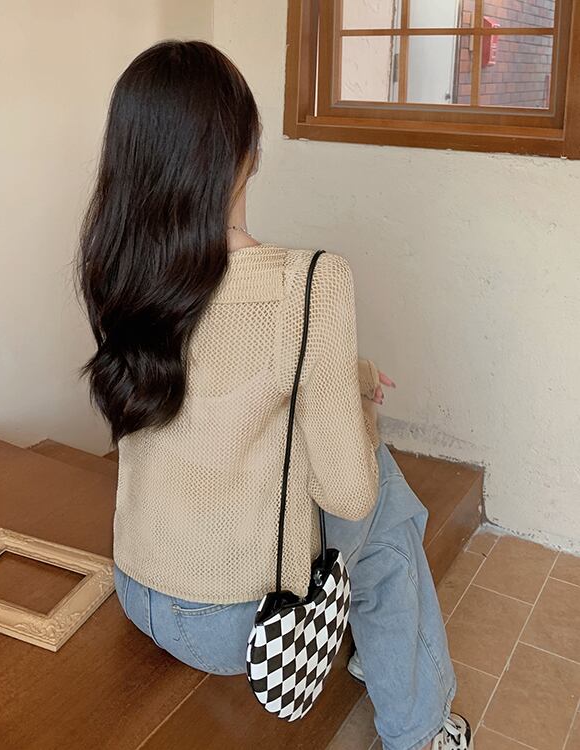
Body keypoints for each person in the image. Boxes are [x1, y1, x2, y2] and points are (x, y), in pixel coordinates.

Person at [77, 40, 471, 750]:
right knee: (382, 492)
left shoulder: (121, 270)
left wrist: (346, 375)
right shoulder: (310, 282)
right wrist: (360, 407)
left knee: (348, 472)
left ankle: (396, 677)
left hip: (139, 588)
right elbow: (347, 494)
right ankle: (419, 729)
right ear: (247, 152)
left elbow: (214, 383)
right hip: (247, 627)